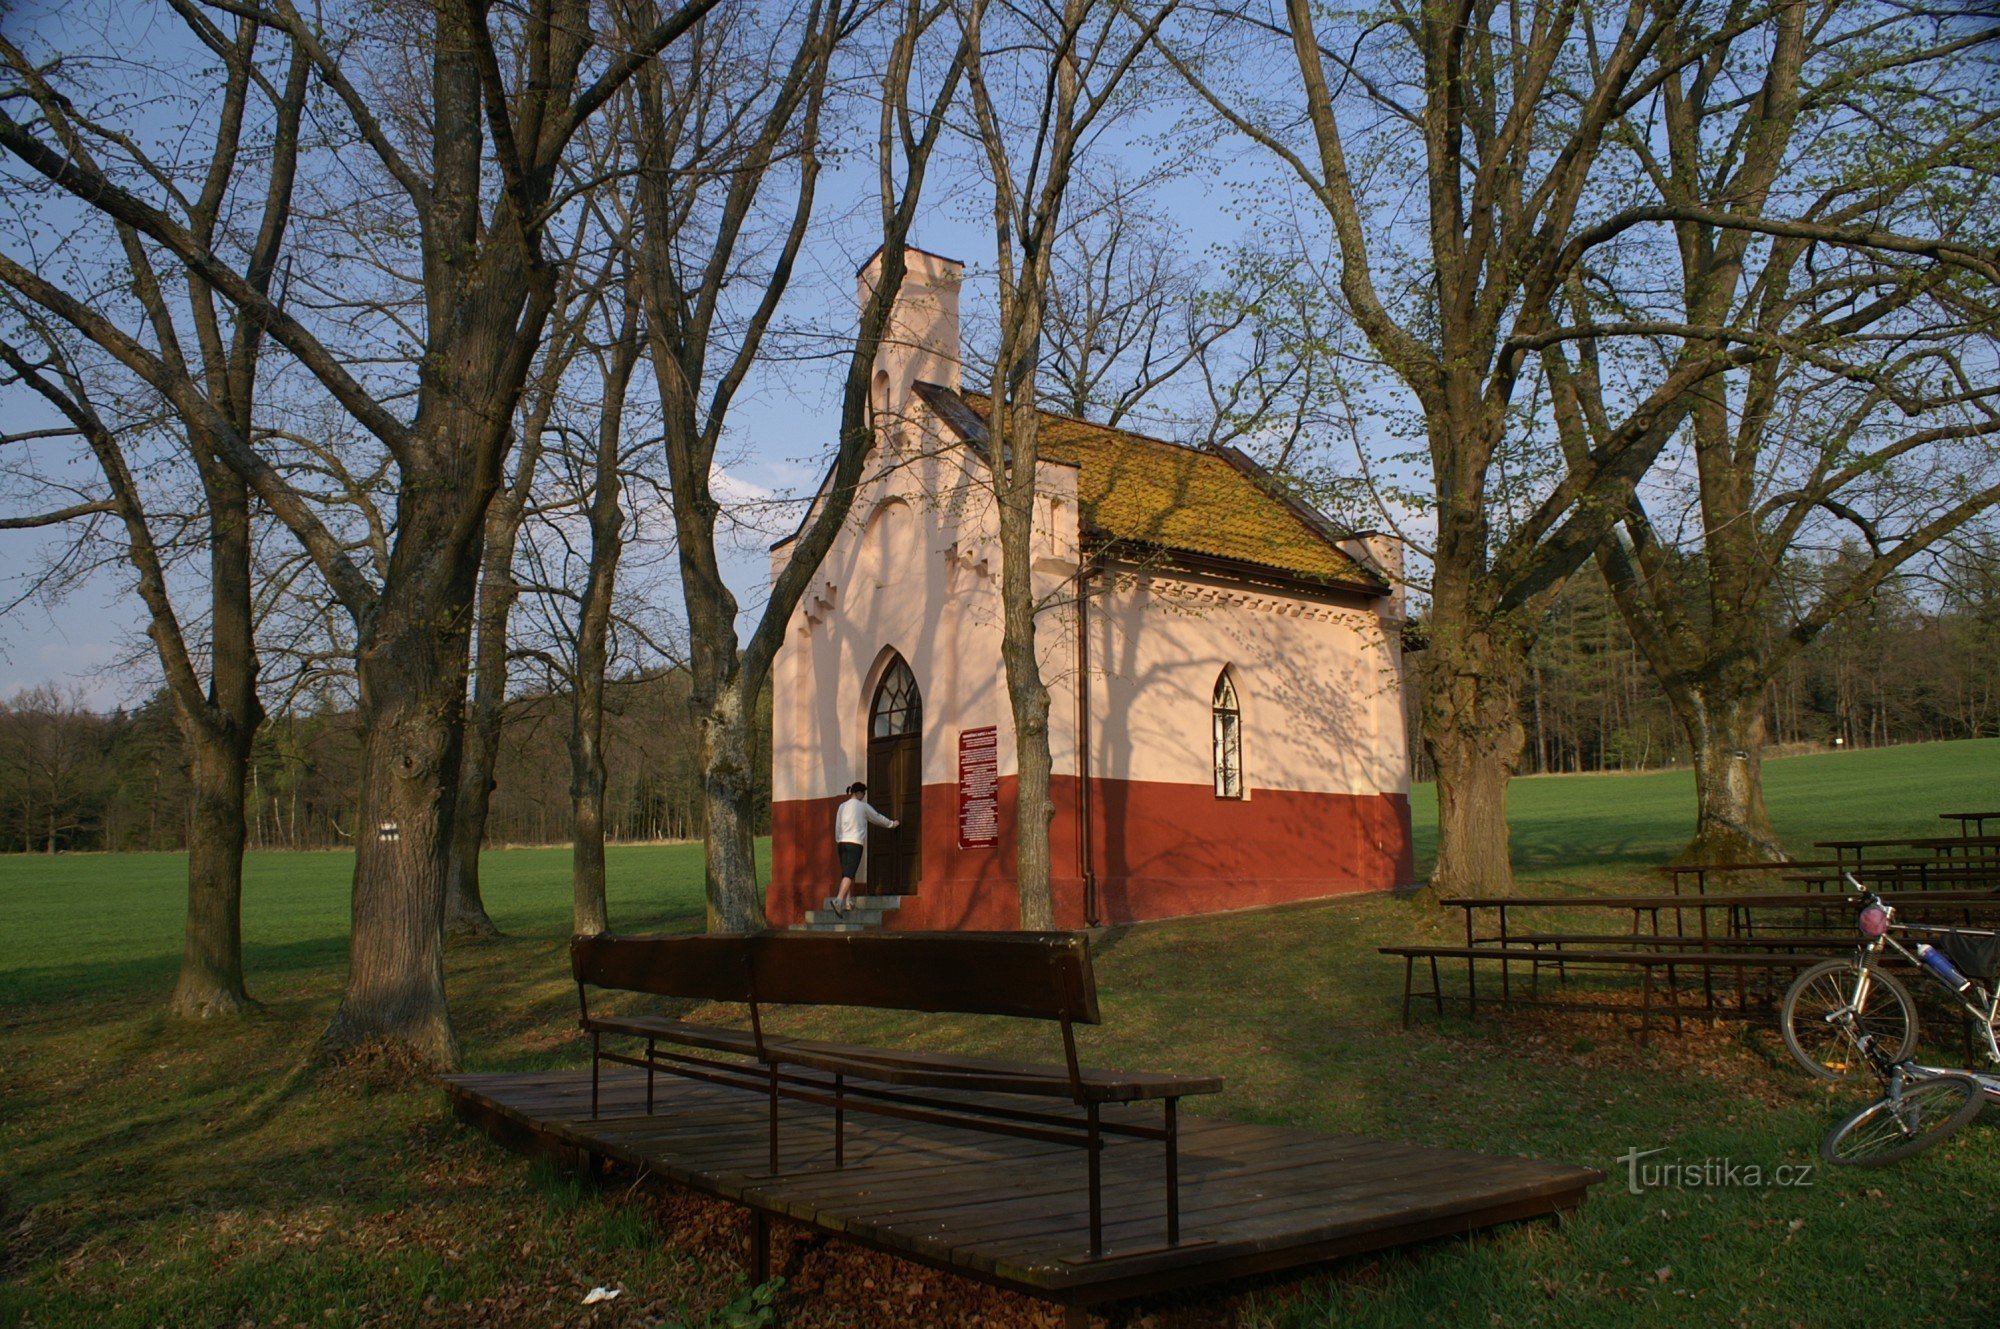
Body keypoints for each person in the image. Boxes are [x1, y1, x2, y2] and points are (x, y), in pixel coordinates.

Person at [831, 781, 897, 915]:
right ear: (859, 793)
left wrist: (839, 839)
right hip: (855, 843)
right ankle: (838, 900)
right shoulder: (862, 807)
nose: (864, 796)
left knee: (847, 872)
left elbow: (837, 826)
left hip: (842, 842)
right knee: (850, 873)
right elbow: (877, 817)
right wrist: (891, 824)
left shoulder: (842, 806)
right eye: (863, 793)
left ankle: (848, 902)